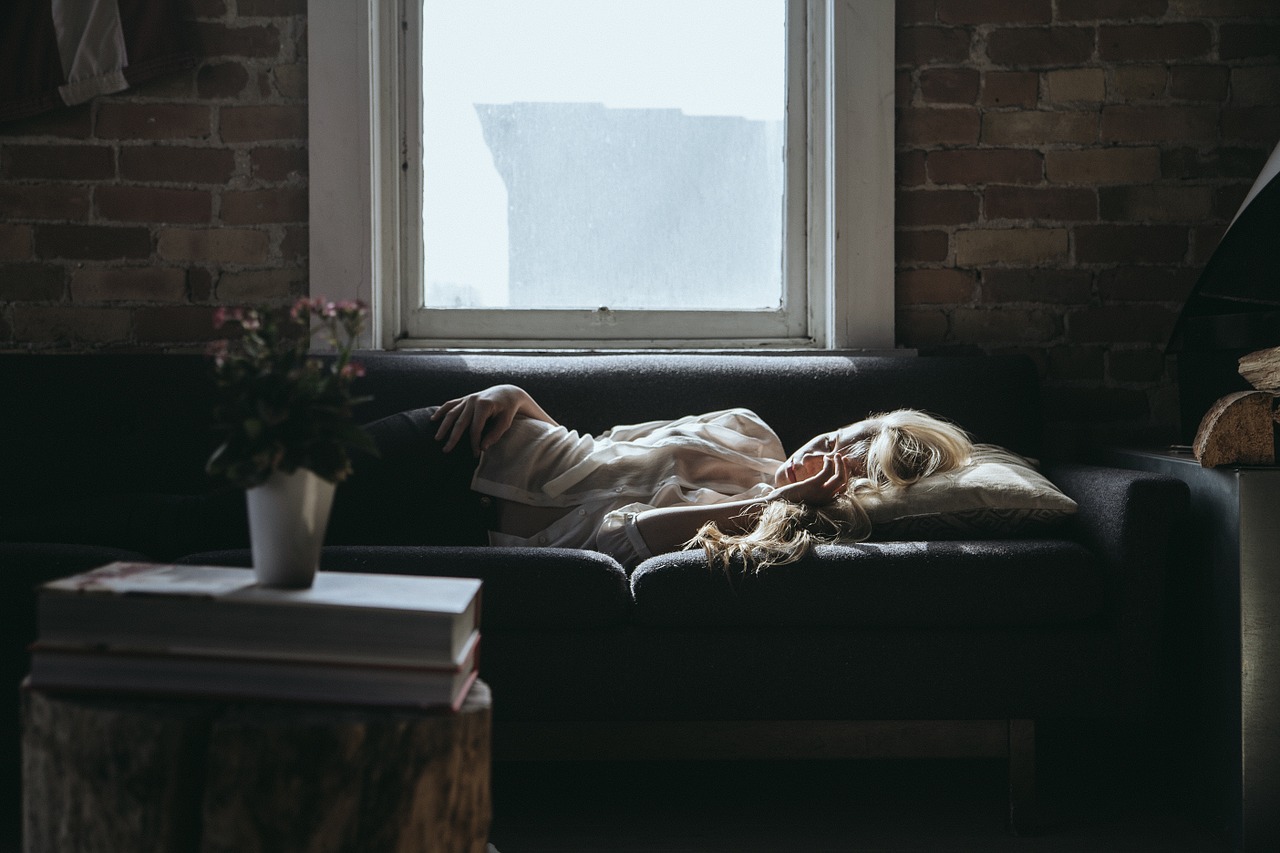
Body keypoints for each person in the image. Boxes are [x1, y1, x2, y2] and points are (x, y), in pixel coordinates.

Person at [424, 384, 974, 572]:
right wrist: (514, 398)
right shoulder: (747, 429)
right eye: (829, 439)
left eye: (836, 468)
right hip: (468, 441)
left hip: (462, 533)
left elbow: (620, 536)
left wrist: (782, 501)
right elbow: (602, 446)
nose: (815, 454)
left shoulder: (770, 528)